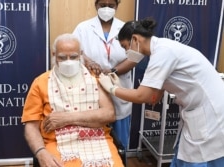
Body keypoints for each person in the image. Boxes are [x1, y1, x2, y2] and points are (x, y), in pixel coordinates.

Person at [98, 17, 224, 166]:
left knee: (199, 159)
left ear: (135, 39)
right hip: (200, 111)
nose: (126, 52)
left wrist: (112, 89)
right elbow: (154, 98)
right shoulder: (161, 51)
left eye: (125, 46)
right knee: (187, 155)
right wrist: (121, 88)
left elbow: (142, 96)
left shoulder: (163, 53)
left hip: (210, 114)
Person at [21, 33, 124, 167]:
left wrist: (66, 118)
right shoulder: (40, 82)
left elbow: (109, 114)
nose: (68, 61)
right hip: (57, 143)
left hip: (97, 139)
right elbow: (31, 126)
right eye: (62, 57)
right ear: (54, 55)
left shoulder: (95, 78)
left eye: (74, 57)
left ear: (81, 55)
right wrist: (41, 152)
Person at [73, 0, 136, 150]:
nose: (106, 8)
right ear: (96, 5)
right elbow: (75, 51)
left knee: (119, 144)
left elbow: (135, 56)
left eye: (111, 5)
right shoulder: (83, 28)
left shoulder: (126, 28)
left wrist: (112, 71)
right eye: (102, 5)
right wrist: (88, 62)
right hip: (92, 88)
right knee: (93, 142)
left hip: (119, 87)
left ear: (117, 6)